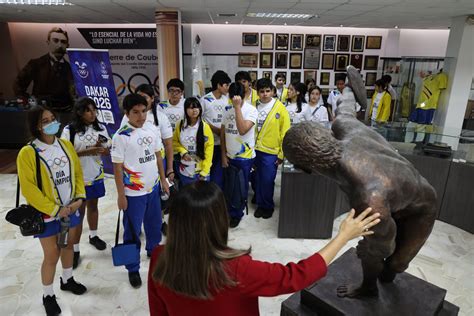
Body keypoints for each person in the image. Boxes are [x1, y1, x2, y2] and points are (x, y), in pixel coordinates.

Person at [283, 65, 437, 298]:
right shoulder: (345, 126)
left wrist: (371, 247)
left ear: (309, 169)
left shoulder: (367, 196)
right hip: (390, 194)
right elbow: (346, 104)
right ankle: (375, 278)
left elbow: (384, 243)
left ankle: (369, 288)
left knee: (393, 265)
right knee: (377, 246)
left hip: (420, 207)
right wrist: (352, 77)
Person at [147, 181, 381, 316]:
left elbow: (158, 312)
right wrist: (343, 236)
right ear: (219, 221)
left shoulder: (159, 257)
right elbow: (297, 275)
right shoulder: (236, 270)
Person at [17, 105, 87, 316]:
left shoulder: (65, 145)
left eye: (52, 118)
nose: (51, 123)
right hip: (48, 215)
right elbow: (30, 190)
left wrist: (79, 198)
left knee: (66, 246)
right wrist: (56, 209)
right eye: (45, 121)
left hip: (68, 210)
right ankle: (48, 294)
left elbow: (77, 174)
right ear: (36, 127)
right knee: (51, 254)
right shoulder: (28, 153)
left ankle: (67, 279)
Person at [111, 93, 169, 289]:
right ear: (127, 114)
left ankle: (154, 253)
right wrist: (121, 195)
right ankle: (133, 267)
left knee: (154, 226)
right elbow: (117, 168)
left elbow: (158, 157)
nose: (141, 116)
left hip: (152, 189)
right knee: (133, 231)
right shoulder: (121, 136)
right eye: (135, 112)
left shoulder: (152, 129)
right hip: (133, 194)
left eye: (143, 111)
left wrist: (163, 180)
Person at [61, 97, 111, 269]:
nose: (92, 113)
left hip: (96, 175)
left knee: (94, 206)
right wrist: (89, 151)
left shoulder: (101, 127)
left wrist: (103, 149)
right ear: (79, 112)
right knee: (78, 213)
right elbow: (66, 154)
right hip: (78, 179)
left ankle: (94, 235)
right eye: (88, 110)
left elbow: (107, 147)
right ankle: (74, 249)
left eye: (94, 110)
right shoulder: (70, 130)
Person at [220, 83, 258, 228]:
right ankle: (231, 211)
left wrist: (237, 108)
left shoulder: (251, 110)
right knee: (230, 187)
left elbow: (242, 130)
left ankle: (237, 214)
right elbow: (223, 133)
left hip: (245, 158)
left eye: (238, 98)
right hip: (229, 156)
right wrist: (223, 155)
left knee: (240, 188)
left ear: (244, 96)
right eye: (232, 98)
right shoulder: (227, 111)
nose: (234, 100)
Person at [252, 78, 290, 219]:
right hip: (254, 150)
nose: (265, 94)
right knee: (257, 179)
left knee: (268, 180)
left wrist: (281, 154)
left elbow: (285, 132)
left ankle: (267, 206)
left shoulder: (280, 108)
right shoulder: (253, 106)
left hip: (271, 151)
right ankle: (260, 204)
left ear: (273, 91)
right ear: (257, 92)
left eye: (268, 91)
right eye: (262, 91)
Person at [13, 27, 75, 114]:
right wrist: (31, 102)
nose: (59, 45)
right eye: (55, 40)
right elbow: (18, 84)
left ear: (67, 46)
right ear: (48, 43)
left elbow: (74, 93)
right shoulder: (35, 64)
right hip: (41, 114)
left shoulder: (71, 68)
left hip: (65, 113)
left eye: (63, 42)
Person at [121, 84, 175, 183]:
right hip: (136, 162)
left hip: (157, 160)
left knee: (158, 191)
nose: (141, 99)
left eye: (144, 97)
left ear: (152, 98)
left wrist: (170, 168)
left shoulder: (161, 117)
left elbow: (168, 144)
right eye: (138, 96)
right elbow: (123, 140)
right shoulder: (127, 117)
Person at [172, 97, 214, 185]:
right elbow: (174, 142)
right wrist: (183, 152)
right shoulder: (180, 125)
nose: (194, 110)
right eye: (191, 108)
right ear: (185, 110)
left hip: (201, 172)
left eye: (196, 107)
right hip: (185, 170)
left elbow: (209, 151)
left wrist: (204, 172)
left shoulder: (205, 127)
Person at [200, 70, 231, 189]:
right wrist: (215, 129)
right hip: (208, 143)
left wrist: (222, 131)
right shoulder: (205, 100)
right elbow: (200, 120)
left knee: (220, 172)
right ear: (218, 85)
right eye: (226, 85)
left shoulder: (227, 99)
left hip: (223, 143)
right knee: (208, 170)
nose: (228, 88)